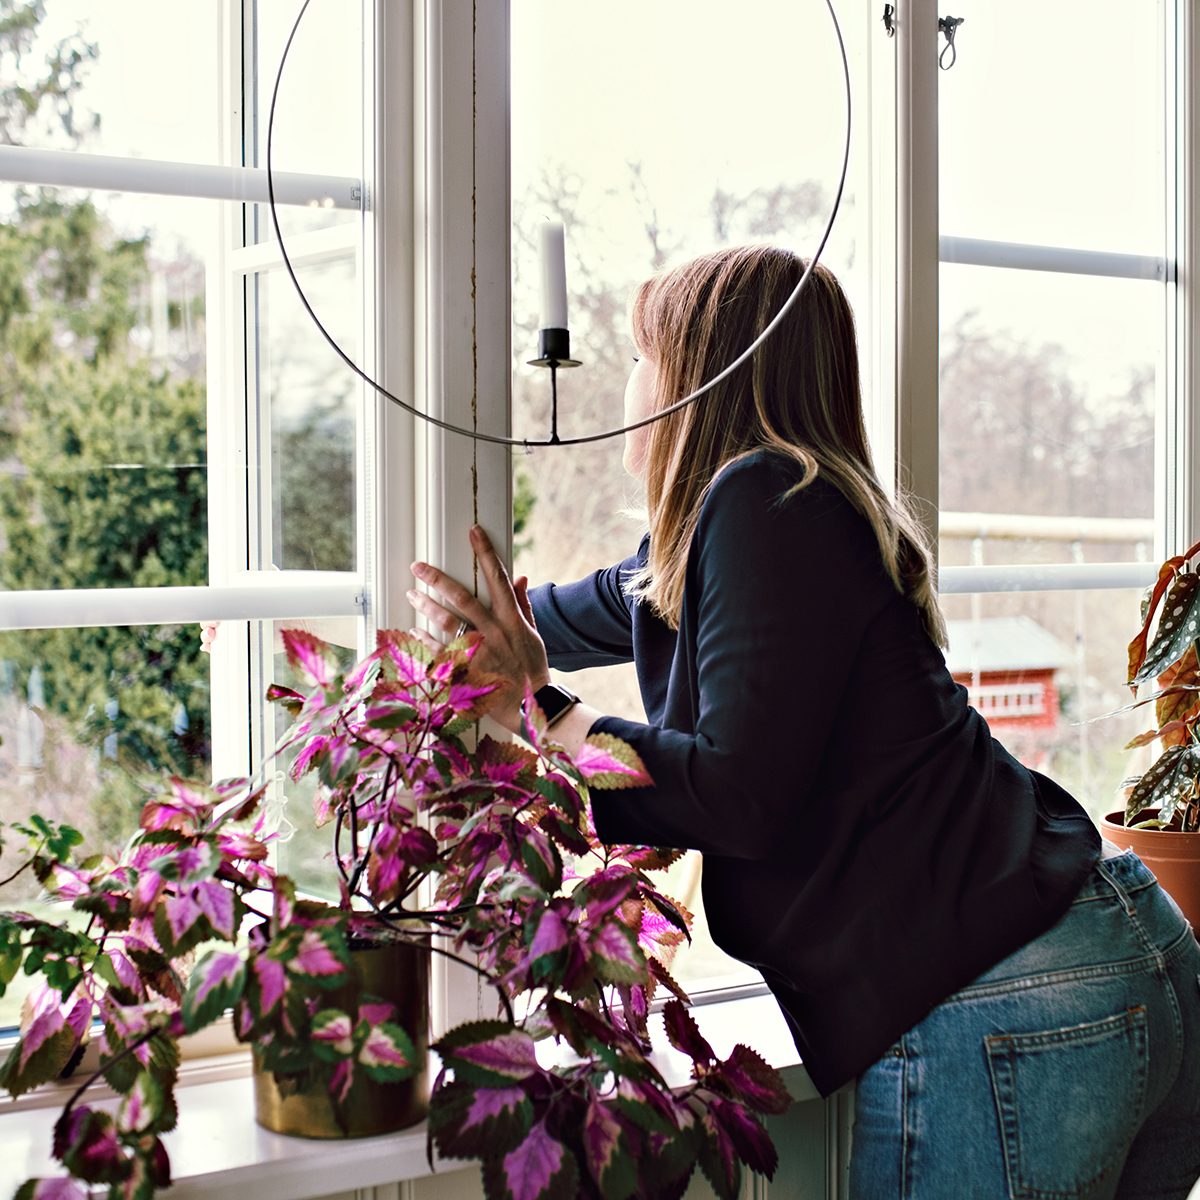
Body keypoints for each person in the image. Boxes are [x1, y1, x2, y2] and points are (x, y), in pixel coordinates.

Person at [406, 245, 1200, 1198]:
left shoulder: (763, 500)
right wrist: (487, 641)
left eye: (640, 355)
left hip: (1017, 994)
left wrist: (538, 711)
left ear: (695, 379)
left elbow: (739, 794)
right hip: (1113, 951)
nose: (629, 385)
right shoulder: (768, 515)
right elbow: (571, 617)